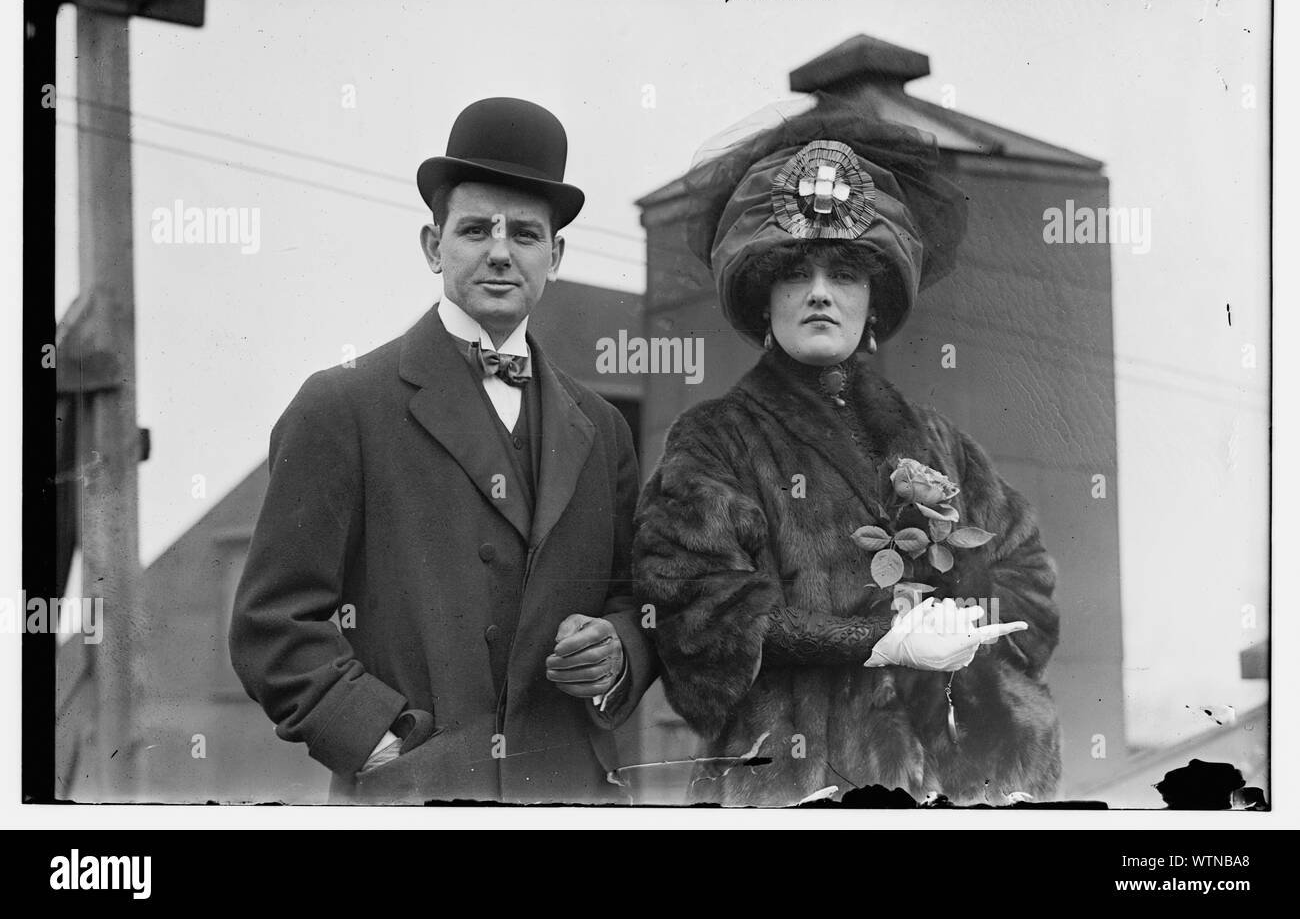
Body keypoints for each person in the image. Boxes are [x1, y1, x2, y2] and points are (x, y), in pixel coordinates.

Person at [229, 97, 655, 804]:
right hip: (415, 799)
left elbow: (634, 598)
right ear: (434, 247)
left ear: (555, 255)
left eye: (524, 232)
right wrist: (379, 739)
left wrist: (616, 652)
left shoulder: (604, 426)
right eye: (475, 228)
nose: (499, 250)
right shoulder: (343, 405)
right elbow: (274, 622)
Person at [632, 108, 1061, 806]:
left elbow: (1029, 579)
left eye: (845, 272)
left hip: (951, 788)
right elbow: (702, 614)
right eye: (796, 271)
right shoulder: (715, 441)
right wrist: (880, 639)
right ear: (763, 294)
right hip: (794, 788)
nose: (821, 292)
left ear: (875, 298)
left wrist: (967, 623)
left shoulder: (941, 443)